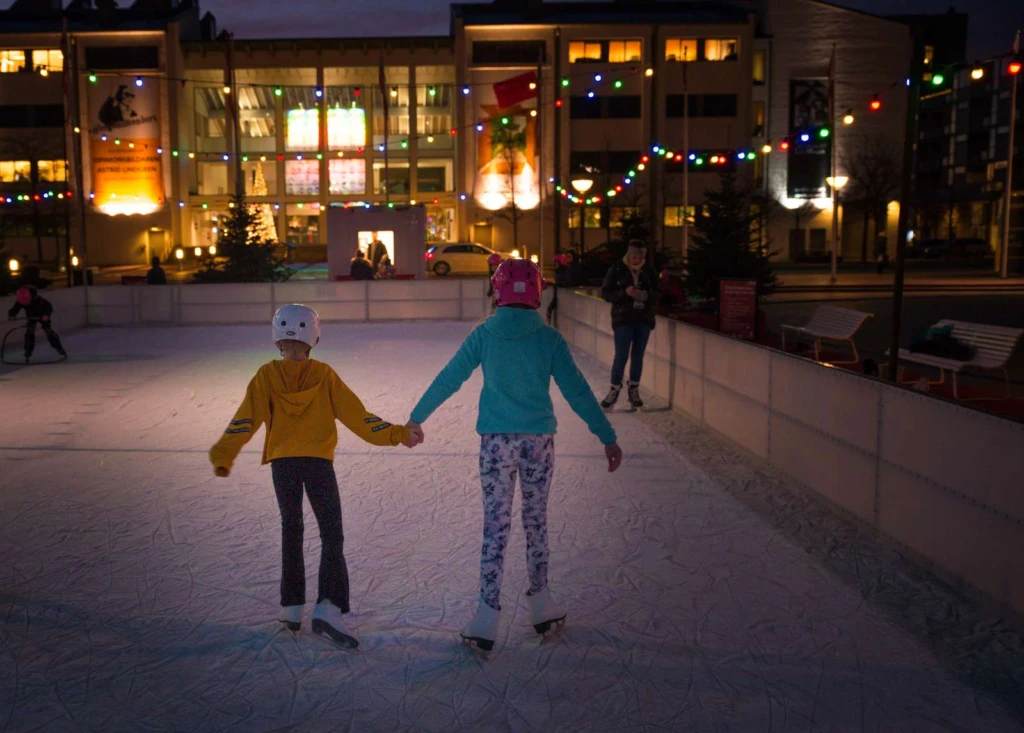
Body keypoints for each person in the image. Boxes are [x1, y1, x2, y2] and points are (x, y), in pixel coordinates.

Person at [408, 259, 623, 651]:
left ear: (497, 291)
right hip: (538, 442)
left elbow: (449, 378)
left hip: (495, 443)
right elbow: (577, 391)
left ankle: (487, 615)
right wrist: (606, 436)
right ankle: (540, 602)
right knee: (535, 521)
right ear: (537, 292)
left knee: (496, 525)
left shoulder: (484, 335)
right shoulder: (549, 340)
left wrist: (416, 417)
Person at [209, 304, 423, 649]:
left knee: (291, 530)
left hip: (284, 464)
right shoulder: (323, 375)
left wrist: (223, 454)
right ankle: (328, 606)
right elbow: (360, 418)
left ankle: (292, 608)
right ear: (314, 337)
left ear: (278, 337)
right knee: (331, 533)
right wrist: (397, 433)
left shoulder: (266, 375)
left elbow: (244, 420)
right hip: (318, 462)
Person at [600, 241, 661, 410]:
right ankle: (614, 390)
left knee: (638, 356)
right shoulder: (617, 268)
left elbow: (658, 293)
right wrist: (624, 293)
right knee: (621, 356)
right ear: (628, 255)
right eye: (634, 256)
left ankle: (634, 389)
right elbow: (605, 293)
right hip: (623, 318)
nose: (636, 260)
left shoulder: (649, 270)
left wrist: (644, 295)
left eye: (639, 257)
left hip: (643, 319)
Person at [7, 286, 67, 363]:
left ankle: (59, 348)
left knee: (48, 330)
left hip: (42, 315)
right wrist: (12, 315)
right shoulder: (21, 300)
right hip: (31, 315)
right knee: (30, 331)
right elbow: (15, 308)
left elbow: (48, 307)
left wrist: (46, 315)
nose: (26, 303)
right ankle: (28, 350)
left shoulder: (39, 300)